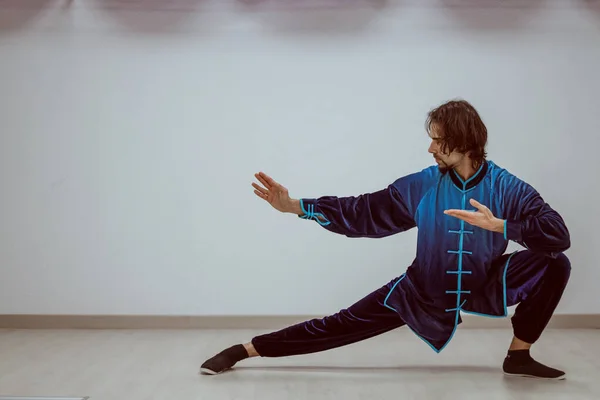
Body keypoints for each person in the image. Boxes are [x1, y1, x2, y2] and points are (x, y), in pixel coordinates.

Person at [200, 99, 571, 380]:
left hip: (487, 282)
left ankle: (518, 356)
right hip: (422, 289)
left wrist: (503, 227)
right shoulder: (424, 184)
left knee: (556, 262)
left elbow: (558, 235)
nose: (430, 149)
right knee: (340, 324)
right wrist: (296, 207)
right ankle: (245, 350)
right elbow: (362, 211)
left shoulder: (508, 188)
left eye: (438, 142)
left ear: (464, 144)